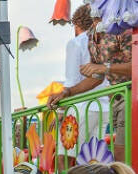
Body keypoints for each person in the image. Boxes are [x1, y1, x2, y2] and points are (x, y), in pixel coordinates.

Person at [49, 9, 132, 160]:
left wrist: (105, 67)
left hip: (128, 99)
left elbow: (132, 66)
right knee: (109, 159)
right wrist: (67, 92)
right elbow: (97, 77)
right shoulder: (94, 39)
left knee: (121, 158)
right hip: (111, 102)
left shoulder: (123, 29)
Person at [56, 5, 109, 172]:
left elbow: (71, 81)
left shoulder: (76, 43)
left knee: (64, 155)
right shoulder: (106, 39)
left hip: (81, 107)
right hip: (104, 106)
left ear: (76, 24)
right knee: (94, 159)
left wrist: (61, 110)